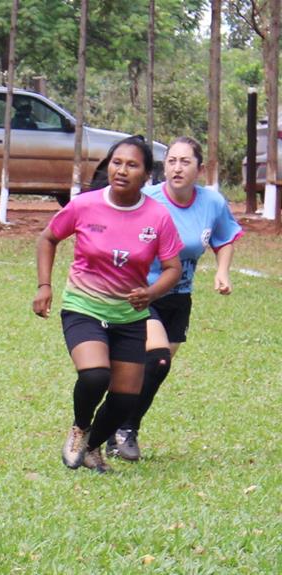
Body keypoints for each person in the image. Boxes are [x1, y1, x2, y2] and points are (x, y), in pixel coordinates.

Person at [32, 135, 183, 473]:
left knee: (126, 397)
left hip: (129, 315)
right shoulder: (85, 205)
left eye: (132, 165)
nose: (122, 170)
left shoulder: (157, 217)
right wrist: (44, 286)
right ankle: (79, 428)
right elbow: (48, 238)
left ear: (146, 175)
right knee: (95, 375)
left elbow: (173, 269)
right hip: (84, 306)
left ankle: (92, 447)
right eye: (117, 162)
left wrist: (152, 292)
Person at [107, 136, 243, 460]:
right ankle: (122, 430)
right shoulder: (147, 200)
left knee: (150, 370)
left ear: (200, 168)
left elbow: (224, 239)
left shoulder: (212, 202)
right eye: (171, 161)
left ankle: (119, 429)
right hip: (142, 293)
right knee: (157, 359)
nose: (177, 168)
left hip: (179, 297)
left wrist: (222, 272)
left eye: (185, 161)